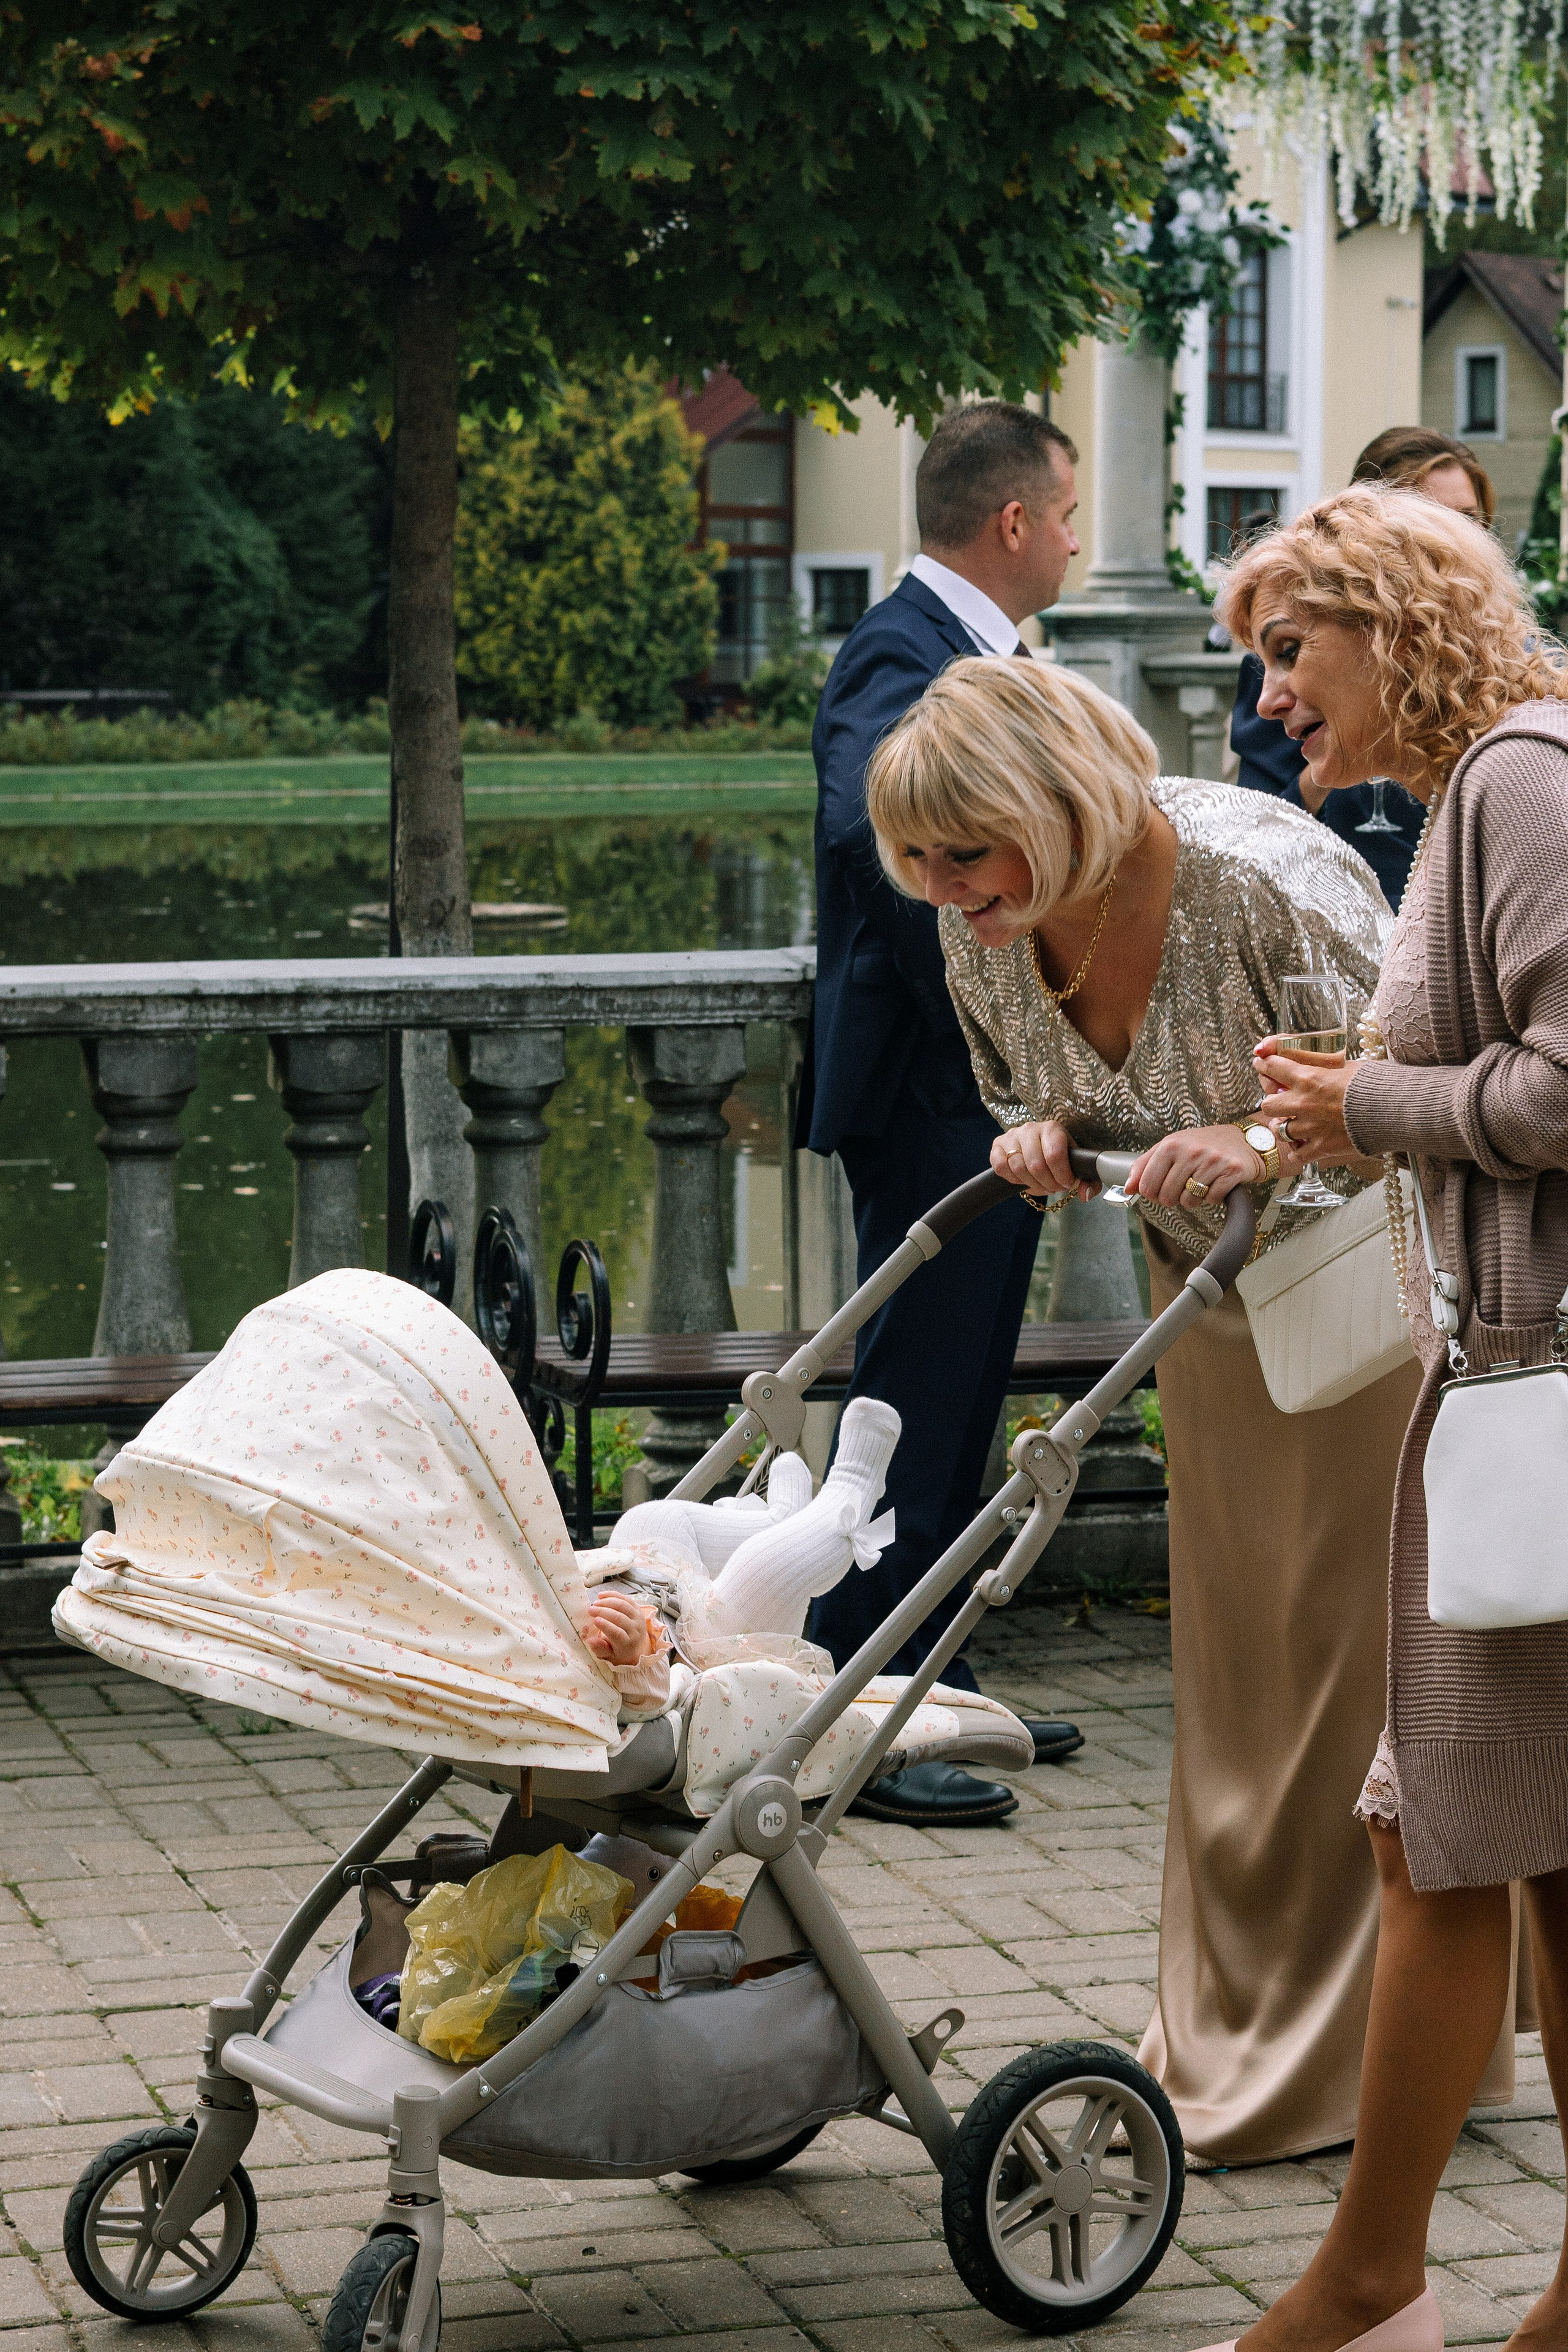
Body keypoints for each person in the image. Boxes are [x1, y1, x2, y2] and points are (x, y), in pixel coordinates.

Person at [862, 650, 1427, 2164]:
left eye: (963, 853)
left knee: (1337, 1685)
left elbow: (1407, 1080)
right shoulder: (978, 925)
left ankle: (1314, 2063)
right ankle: (1237, 2028)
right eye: (913, 861)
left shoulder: (1261, 877)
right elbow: (1022, 1087)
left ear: (1050, 803)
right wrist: (1045, 1136)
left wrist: (1249, 1131)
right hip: (1214, 1305)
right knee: (1235, 1682)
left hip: (1368, 1309)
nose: (940, 890)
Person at [1196, 486, 1568, 2352]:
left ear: (1391, 620)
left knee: (1430, 1827)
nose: (1268, 698)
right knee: (1531, 1849)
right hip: (1513, 1395)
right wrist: (1369, 1090)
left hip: (1536, 1403)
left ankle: (1363, 2279)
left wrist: (1372, 1113)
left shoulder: (1518, 777)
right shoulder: (1482, 784)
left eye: (1288, 650)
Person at [797, 399, 1085, 1827]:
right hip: (928, 1095)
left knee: (962, 1390)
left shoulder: (975, 655)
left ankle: (928, 1686)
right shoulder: (899, 649)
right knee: (905, 1403)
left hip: (971, 1096)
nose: (1081, 542)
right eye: (1074, 516)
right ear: (1016, 520)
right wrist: (996, 1014)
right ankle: (855, 1715)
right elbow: (872, 832)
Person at [1229, 429, 1496, 910]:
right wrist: (1341, 754)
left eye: (1470, 522)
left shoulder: (1507, 678)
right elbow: (1254, 835)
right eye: (1430, 521)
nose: (1456, 543)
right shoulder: (1293, 671)